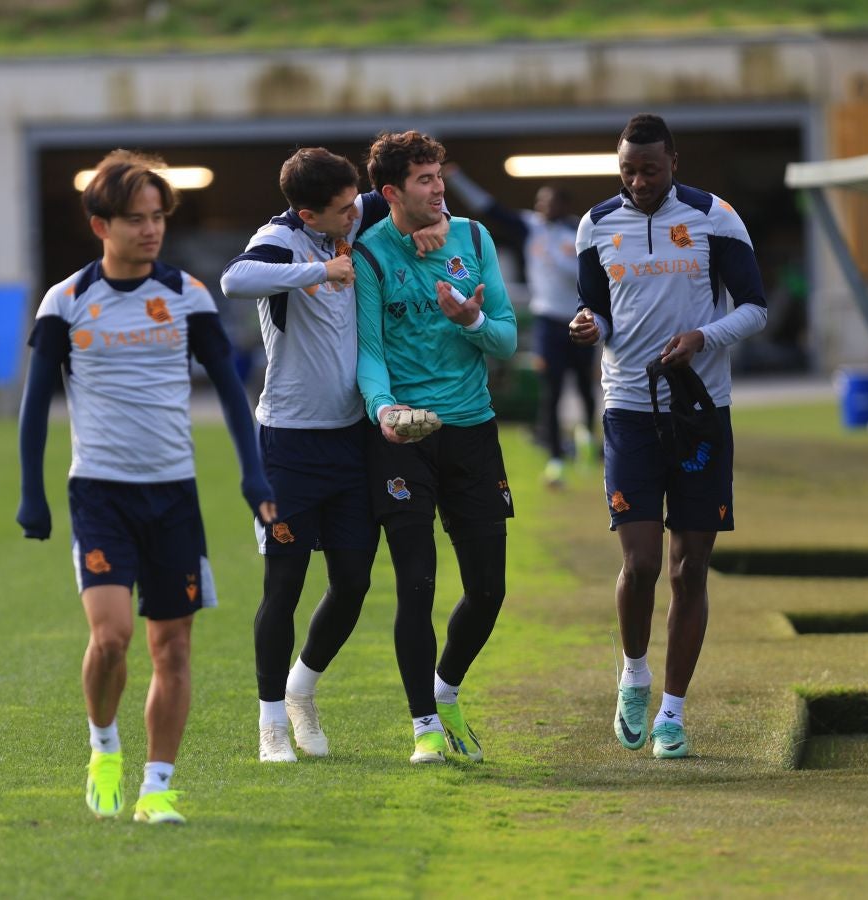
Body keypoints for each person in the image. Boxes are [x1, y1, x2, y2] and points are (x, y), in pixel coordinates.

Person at [17, 149, 276, 823]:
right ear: (101, 224)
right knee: (111, 639)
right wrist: (32, 493)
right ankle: (104, 746)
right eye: (136, 219)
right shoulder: (67, 302)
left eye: (158, 217)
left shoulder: (187, 296)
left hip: (173, 497)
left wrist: (254, 476)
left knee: (175, 646)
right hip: (99, 494)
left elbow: (230, 391)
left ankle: (157, 788)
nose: (151, 229)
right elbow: (33, 404)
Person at [220, 148, 448, 763]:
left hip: (351, 440)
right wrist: (318, 274)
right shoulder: (279, 240)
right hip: (288, 443)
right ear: (307, 212)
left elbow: (411, 197)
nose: (358, 214)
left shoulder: (351, 214)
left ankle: (301, 688)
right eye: (345, 209)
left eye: (357, 202)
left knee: (352, 582)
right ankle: (271, 722)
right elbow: (234, 281)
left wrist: (439, 222)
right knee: (284, 583)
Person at [569, 114, 767, 759]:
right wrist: (587, 323)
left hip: (700, 410)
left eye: (650, 169)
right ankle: (633, 676)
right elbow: (595, 304)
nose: (637, 181)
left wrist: (702, 338)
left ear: (674, 162)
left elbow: (756, 307)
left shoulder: (715, 217)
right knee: (642, 563)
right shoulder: (596, 225)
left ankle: (673, 714)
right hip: (628, 407)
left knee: (690, 569)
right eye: (627, 169)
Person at [352, 130, 518, 764]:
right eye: (423, 179)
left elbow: (504, 339)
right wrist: (384, 408)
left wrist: (468, 319)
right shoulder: (369, 255)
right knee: (416, 582)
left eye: (439, 175)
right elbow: (369, 354)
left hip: (473, 430)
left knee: (489, 590)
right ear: (392, 192)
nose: (438, 187)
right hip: (405, 437)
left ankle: (445, 690)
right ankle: (423, 724)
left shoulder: (473, 240)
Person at [442, 163, 596, 487]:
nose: (542, 207)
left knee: (584, 386)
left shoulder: (580, 233)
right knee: (551, 390)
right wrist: (456, 178)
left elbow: (589, 276)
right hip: (547, 322)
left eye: (549, 202)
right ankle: (555, 459)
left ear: (564, 205)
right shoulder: (531, 226)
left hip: (578, 320)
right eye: (540, 201)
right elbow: (489, 208)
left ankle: (588, 436)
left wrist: (559, 259)